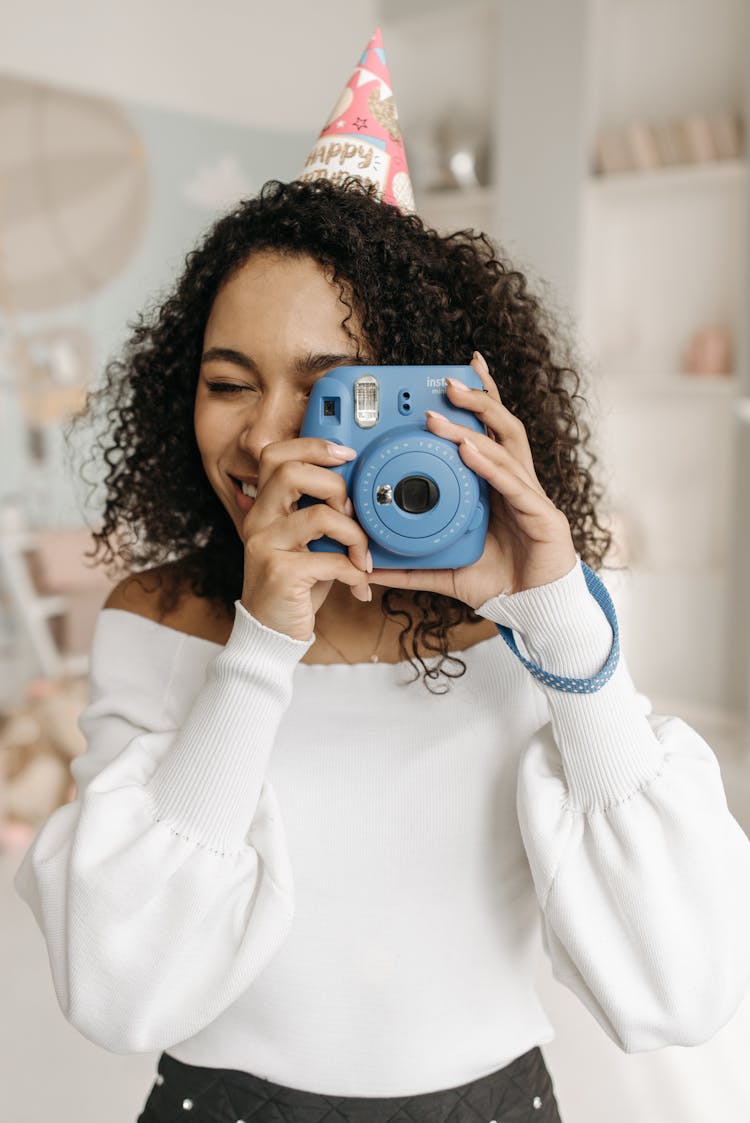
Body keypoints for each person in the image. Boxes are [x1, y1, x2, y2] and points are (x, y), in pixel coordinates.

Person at [13, 173, 750, 1123]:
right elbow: (117, 988)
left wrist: (564, 623)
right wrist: (261, 643)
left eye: (332, 394)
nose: (268, 438)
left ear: (425, 404)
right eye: (228, 383)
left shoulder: (528, 621)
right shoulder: (158, 619)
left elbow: (683, 985)